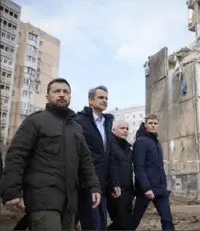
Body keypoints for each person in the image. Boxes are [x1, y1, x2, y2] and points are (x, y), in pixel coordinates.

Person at [0, 78, 101, 231]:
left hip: (69, 202)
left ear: (70, 97)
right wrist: (11, 191)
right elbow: (17, 155)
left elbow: (86, 161)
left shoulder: (76, 128)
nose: (62, 95)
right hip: (42, 198)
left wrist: (94, 187)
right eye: (57, 91)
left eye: (65, 92)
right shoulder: (36, 121)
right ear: (48, 96)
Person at [75, 85, 120, 230]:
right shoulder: (79, 121)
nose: (104, 100)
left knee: (101, 225)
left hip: (103, 184)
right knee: (92, 225)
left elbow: (109, 155)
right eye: (101, 97)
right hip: (86, 184)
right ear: (90, 100)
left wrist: (114, 182)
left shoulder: (107, 123)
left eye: (106, 98)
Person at [131, 114, 175, 231]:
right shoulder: (141, 142)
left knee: (167, 219)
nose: (153, 125)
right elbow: (139, 167)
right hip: (145, 190)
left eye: (155, 123)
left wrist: (164, 185)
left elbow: (158, 166)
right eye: (150, 123)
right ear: (145, 125)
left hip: (160, 188)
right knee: (134, 220)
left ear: (158, 125)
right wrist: (146, 188)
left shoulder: (156, 142)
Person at [107, 120, 134, 230]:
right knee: (120, 222)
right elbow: (109, 166)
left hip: (128, 191)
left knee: (127, 222)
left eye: (127, 129)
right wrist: (114, 184)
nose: (125, 131)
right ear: (114, 130)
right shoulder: (109, 145)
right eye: (122, 128)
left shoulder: (128, 147)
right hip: (116, 191)